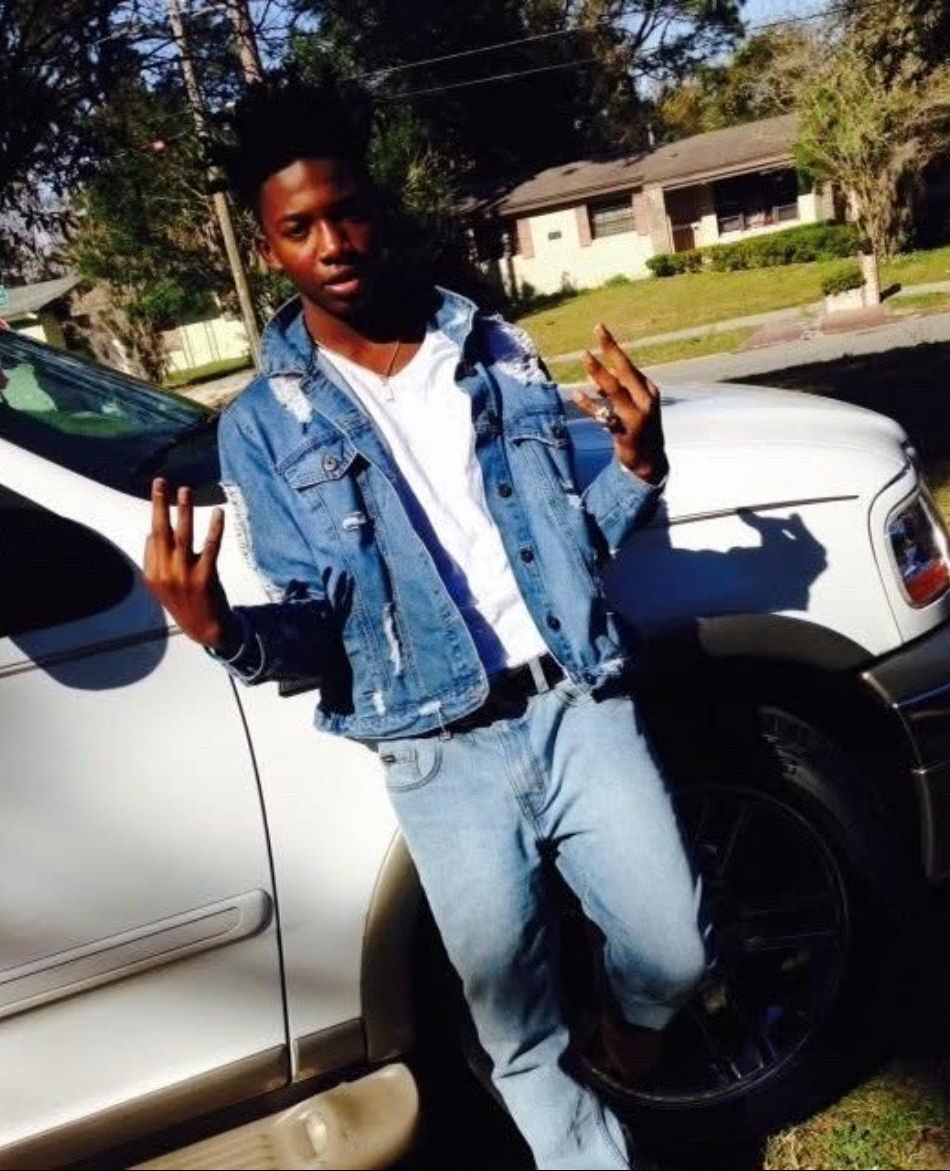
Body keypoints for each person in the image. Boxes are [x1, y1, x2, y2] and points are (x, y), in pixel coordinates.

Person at [142, 77, 710, 1171]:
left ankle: (631, 1032)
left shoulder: (489, 347)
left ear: (376, 206)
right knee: (516, 1025)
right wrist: (222, 631)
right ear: (268, 247)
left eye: (346, 212)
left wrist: (637, 468)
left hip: (575, 699)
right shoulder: (262, 428)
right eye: (299, 229)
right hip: (435, 753)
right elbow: (319, 628)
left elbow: (566, 546)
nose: (333, 245)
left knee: (676, 951)